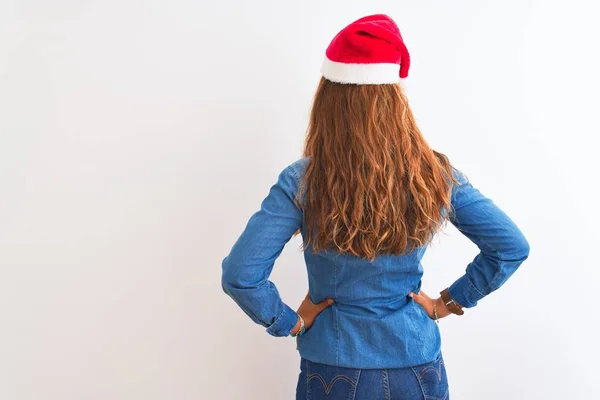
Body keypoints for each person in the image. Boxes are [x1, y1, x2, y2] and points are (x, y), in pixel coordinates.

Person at [221, 14, 530, 400]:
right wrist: (447, 303)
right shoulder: (434, 174)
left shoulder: (303, 180)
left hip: (334, 368)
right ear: (395, 101)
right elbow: (510, 247)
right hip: (416, 366)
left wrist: (291, 321)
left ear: (329, 102)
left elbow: (240, 274)